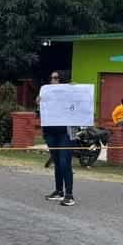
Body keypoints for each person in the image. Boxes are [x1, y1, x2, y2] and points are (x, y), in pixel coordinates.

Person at [39, 70, 75, 206]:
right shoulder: (47, 94)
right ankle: (59, 191)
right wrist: (39, 102)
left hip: (66, 132)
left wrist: (74, 90)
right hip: (50, 132)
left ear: (63, 80)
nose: (52, 80)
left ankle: (69, 195)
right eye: (51, 78)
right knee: (57, 162)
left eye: (56, 78)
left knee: (65, 162)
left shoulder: (71, 93)